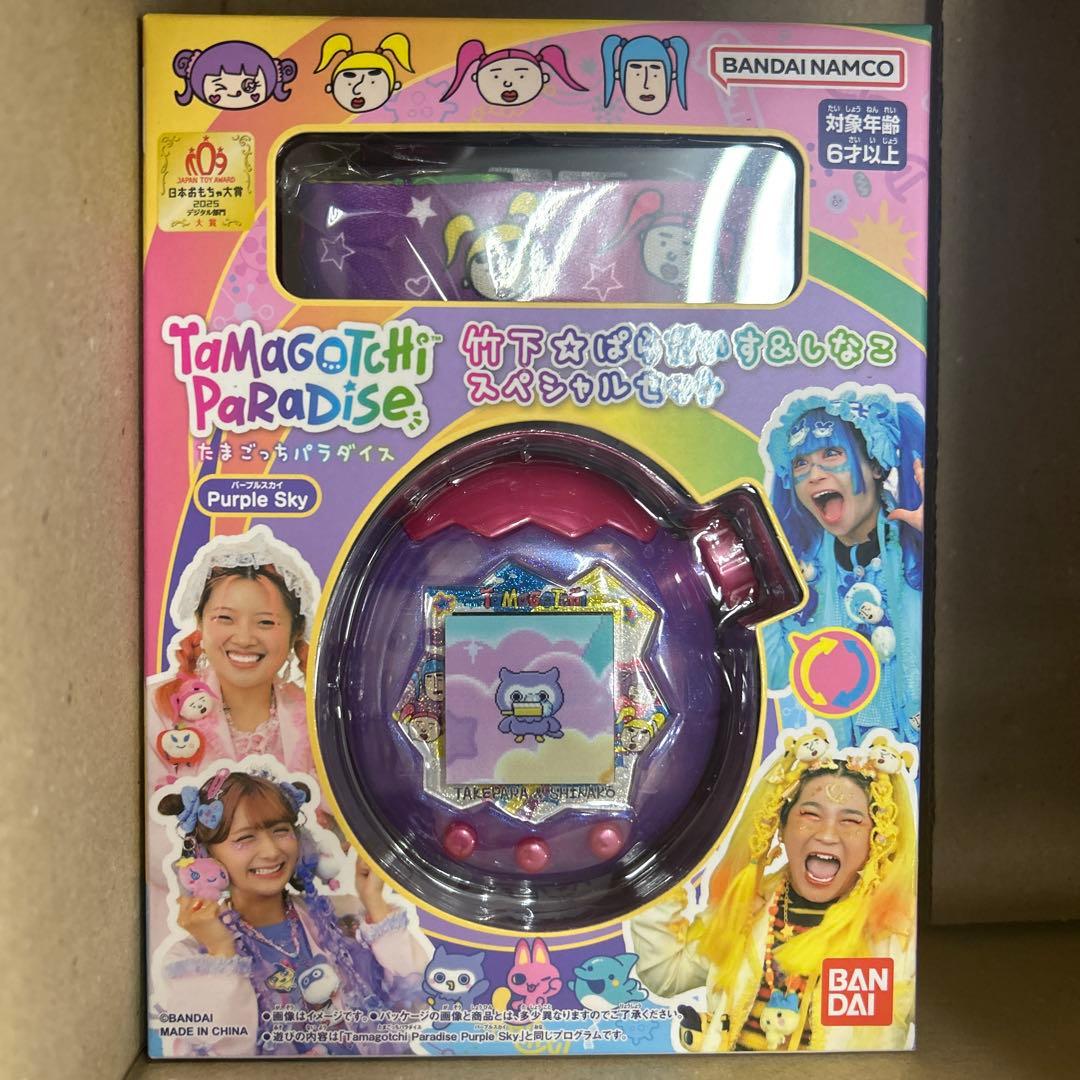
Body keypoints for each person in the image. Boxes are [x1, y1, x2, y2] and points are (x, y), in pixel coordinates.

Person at [630, 726, 917, 1052]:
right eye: (810, 814)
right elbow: (666, 975)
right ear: (781, 826)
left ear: (877, 838)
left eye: (851, 821)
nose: (827, 834)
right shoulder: (745, 909)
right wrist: (661, 866)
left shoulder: (899, 933)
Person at [154, 769, 428, 1057]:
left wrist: (375, 903)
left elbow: (420, 1004)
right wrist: (221, 952)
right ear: (205, 858)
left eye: (280, 830)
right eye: (245, 838)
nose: (271, 851)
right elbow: (219, 1063)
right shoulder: (192, 960)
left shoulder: (344, 916)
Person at [760, 385, 925, 746]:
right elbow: (776, 672)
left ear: (876, 465)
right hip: (844, 760)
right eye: (800, 463)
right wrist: (762, 585)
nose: (814, 474)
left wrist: (947, 536)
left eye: (831, 454)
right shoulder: (801, 571)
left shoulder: (918, 548)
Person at [148, 525, 321, 790]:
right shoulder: (155, 709)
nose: (244, 638)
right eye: (225, 618)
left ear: (295, 630)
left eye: (265, 622)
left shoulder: (317, 719)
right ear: (200, 621)